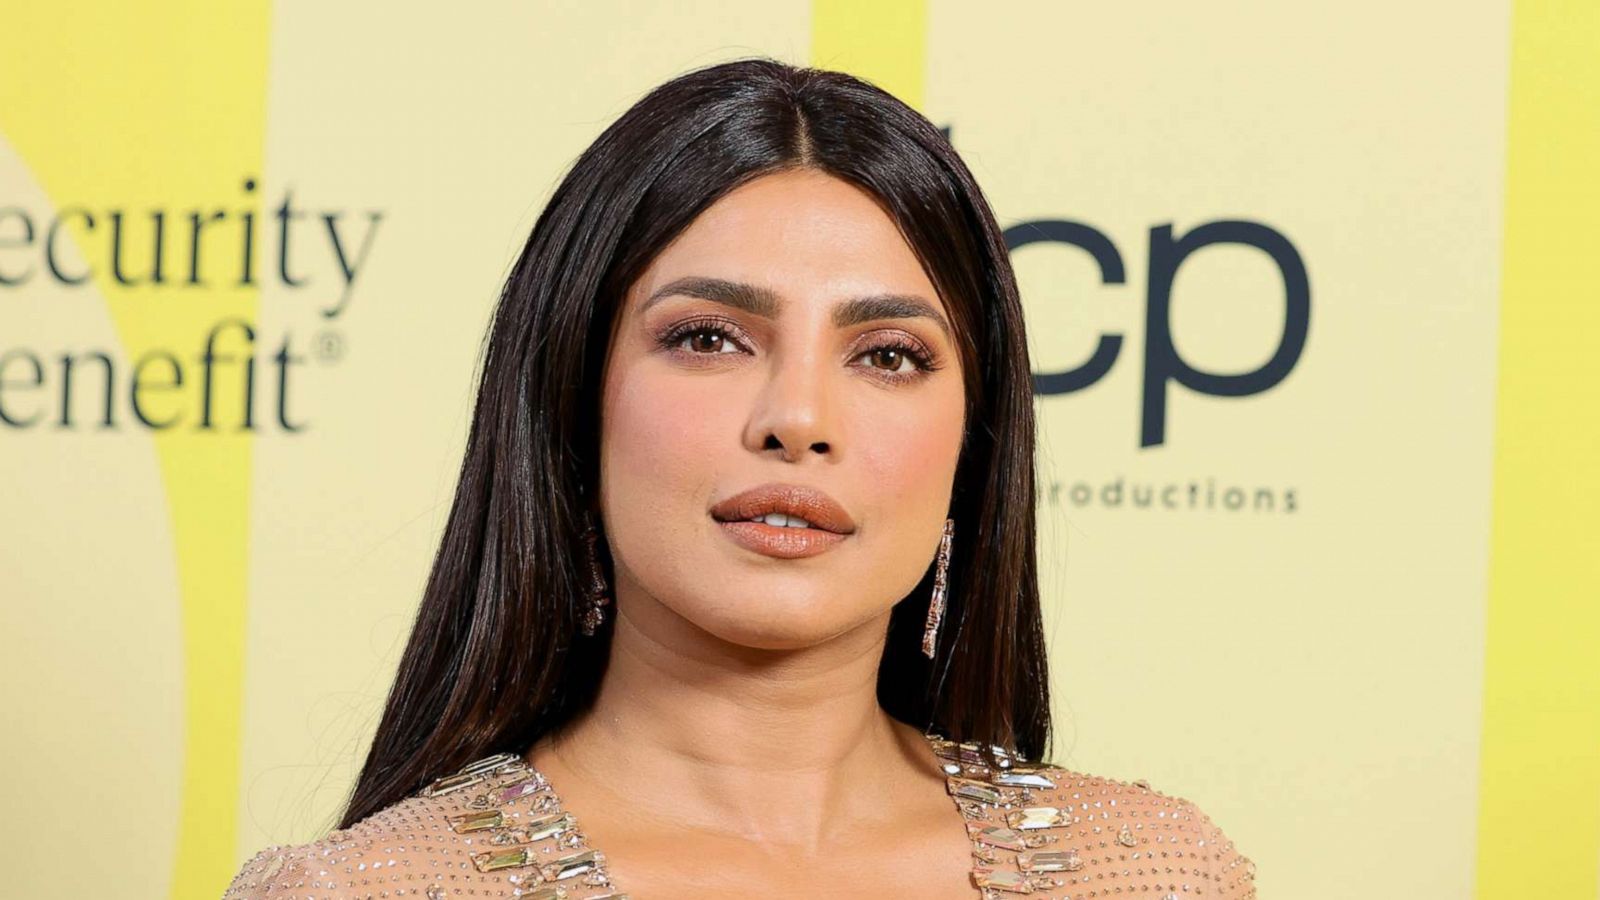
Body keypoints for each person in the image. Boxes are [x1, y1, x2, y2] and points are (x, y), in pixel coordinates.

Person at [222, 57, 1256, 900]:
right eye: (709, 338)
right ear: (574, 405)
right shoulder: (370, 892)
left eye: (889, 354)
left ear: (972, 448)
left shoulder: (1154, 874)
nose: (797, 421)